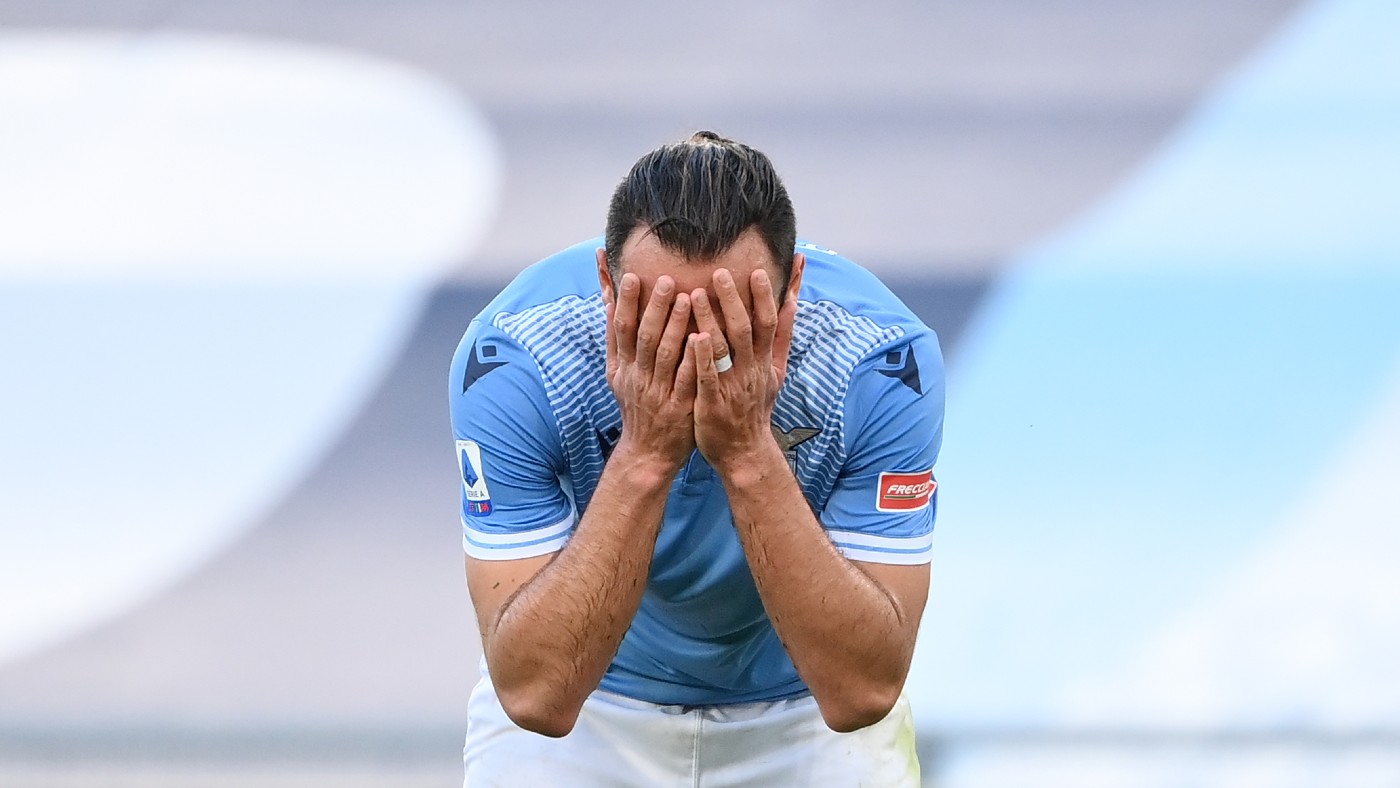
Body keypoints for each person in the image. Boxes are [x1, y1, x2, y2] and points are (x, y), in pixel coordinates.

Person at [448, 131, 944, 786]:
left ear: (792, 287)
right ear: (606, 283)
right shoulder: (520, 354)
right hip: (591, 704)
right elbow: (535, 696)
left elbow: (861, 693)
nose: (694, 348)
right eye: (658, 316)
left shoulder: (878, 359)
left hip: (806, 712)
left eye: (732, 316)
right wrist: (645, 452)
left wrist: (747, 450)